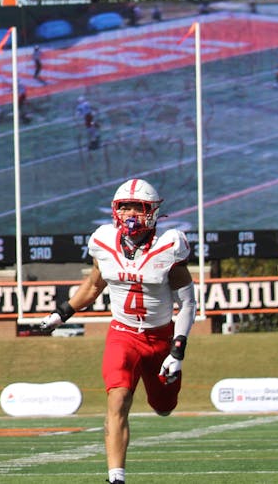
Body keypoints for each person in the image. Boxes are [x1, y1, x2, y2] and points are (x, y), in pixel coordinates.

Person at [39, 178, 196, 484]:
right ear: (115, 211)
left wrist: (177, 351)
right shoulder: (103, 241)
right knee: (118, 399)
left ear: (152, 212)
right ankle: (116, 478)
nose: (130, 214)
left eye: (137, 207)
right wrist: (62, 313)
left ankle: (168, 381)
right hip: (122, 334)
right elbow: (94, 285)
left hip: (159, 336)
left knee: (164, 407)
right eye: (124, 207)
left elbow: (187, 303)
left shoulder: (169, 246)